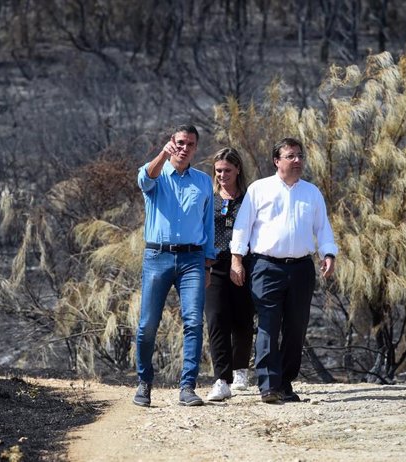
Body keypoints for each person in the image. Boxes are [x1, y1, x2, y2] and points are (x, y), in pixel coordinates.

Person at [229, 137, 337, 404]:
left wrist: (329, 253)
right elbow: (242, 227)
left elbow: (322, 228)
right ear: (277, 161)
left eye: (300, 155)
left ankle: (285, 383)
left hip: (301, 268)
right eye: (291, 156)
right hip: (266, 266)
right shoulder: (259, 189)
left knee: (296, 327)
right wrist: (236, 260)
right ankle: (268, 385)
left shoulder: (311, 192)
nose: (298, 160)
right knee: (268, 324)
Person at [133, 125, 216, 407]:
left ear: (196, 148)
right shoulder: (156, 173)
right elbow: (146, 179)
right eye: (180, 142)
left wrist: (207, 264)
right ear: (171, 143)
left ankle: (188, 387)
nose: (184, 148)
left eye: (190, 144)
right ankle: (144, 382)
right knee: (148, 325)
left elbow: (208, 225)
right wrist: (161, 155)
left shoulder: (204, 181)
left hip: (192, 259)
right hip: (158, 257)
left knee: (193, 322)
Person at [204, 147, 256, 402]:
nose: (222, 175)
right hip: (214, 265)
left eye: (227, 170)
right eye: (218, 171)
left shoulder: (248, 198)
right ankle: (221, 379)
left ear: (238, 170)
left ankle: (241, 370)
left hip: (244, 263)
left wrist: (244, 261)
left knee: (243, 319)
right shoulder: (209, 197)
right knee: (216, 320)